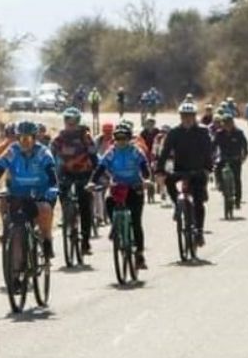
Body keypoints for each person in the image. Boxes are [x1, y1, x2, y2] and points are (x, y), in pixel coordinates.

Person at [0, 120, 58, 264]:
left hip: (39, 193)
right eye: (21, 138)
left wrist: (53, 187)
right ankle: (16, 271)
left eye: (28, 138)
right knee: (14, 228)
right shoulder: (12, 151)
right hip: (17, 193)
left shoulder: (43, 152)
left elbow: (51, 171)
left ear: (34, 138)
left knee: (45, 209)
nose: (25, 142)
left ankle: (47, 239)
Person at [87, 124, 150, 268]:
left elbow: (144, 167)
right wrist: (92, 182)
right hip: (117, 187)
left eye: (124, 138)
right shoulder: (111, 153)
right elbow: (100, 168)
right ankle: (115, 226)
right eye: (118, 138)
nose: (121, 141)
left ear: (129, 139)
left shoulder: (136, 152)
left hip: (135, 187)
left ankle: (139, 254)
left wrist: (146, 180)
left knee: (136, 221)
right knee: (109, 201)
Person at [155, 102, 214, 247]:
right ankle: (178, 205)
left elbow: (208, 152)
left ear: (194, 117)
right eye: (184, 116)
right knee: (169, 182)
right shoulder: (174, 133)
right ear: (180, 117)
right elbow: (165, 152)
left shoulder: (203, 131)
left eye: (190, 116)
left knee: (199, 201)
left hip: (198, 170)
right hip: (180, 170)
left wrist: (208, 168)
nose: (187, 119)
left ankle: (199, 231)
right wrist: (159, 170)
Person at [50, 107, 98, 255]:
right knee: (62, 194)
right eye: (67, 122)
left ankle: (85, 241)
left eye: (74, 122)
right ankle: (66, 216)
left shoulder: (85, 136)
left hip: (84, 172)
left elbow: (93, 154)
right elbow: (50, 154)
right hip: (65, 173)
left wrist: (96, 174)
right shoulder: (60, 138)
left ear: (78, 122)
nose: (70, 125)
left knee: (85, 205)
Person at [212, 113, 248, 209]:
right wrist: (210, 155)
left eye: (229, 123)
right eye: (225, 123)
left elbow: (245, 145)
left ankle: (237, 200)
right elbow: (213, 146)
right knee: (217, 168)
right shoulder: (219, 133)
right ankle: (220, 185)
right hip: (223, 158)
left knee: (237, 179)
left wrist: (244, 155)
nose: (227, 125)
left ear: (232, 123)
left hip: (235, 159)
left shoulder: (239, 133)